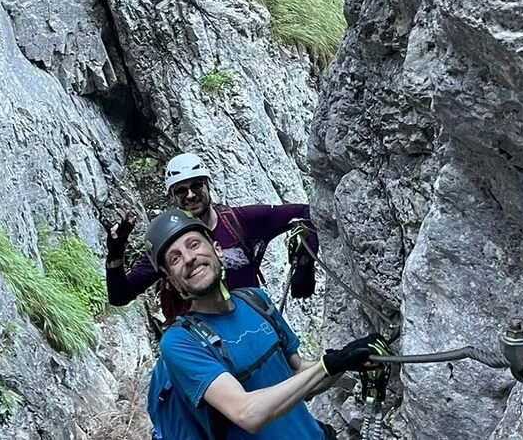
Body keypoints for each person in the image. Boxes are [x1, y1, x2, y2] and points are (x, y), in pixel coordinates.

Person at [145, 209, 386, 439]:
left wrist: (348, 358)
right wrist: (328, 365)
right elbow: (247, 413)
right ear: (173, 282)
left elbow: (298, 374)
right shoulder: (181, 342)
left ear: (217, 250)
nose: (188, 258)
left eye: (194, 244)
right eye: (175, 258)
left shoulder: (254, 300)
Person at [105, 152, 319, 324]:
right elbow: (120, 296)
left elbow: (309, 212)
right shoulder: (169, 246)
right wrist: (115, 255)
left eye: (196, 185)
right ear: (173, 197)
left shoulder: (241, 221)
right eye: (181, 190)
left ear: (208, 185)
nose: (190, 195)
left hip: (253, 326)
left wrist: (305, 262)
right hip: (204, 346)